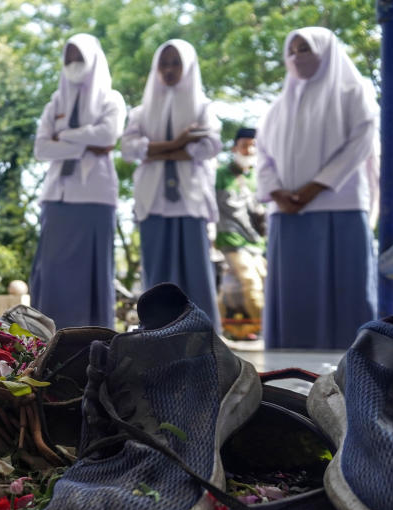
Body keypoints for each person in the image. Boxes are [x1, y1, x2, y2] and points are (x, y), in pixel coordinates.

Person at [257, 27, 378, 349]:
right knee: (296, 297)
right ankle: (291, 377)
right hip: (288, 213)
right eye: (292, 50)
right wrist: (277, 193)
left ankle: (351, 374)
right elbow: (263, 155)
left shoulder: (352, 93)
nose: (296, 57)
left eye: (305, 49)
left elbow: (361, 140)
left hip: (342, 208)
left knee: (347, 293)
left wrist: (318, 185)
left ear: (326, 52)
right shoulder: (277, 107)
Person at [121, 39, 222, 327]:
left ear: (188, 65)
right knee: (157, 274)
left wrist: (156, 150)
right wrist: (180, 144)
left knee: (196, 272)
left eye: (175, 62)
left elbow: (211, 145)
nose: (168, 69)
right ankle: (157, 335)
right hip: (152, 200)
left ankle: (204, 336)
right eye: (163, 63)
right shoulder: (141, 111)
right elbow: (128, 149)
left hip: (190, 200)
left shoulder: (202, 106)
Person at [30, 33, 126, 330]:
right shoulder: (55, 102)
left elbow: (108, 136)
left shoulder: (111, 99)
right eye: (68, 57)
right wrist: (87, 140)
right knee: (53, 271)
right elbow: (41, 148)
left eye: (79, 57)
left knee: (91, 274)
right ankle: (49, 337)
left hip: (94, 197)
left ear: (93, 59)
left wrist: (65, 136)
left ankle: (92, 338)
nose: (73, 63)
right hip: (57, 197)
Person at [214, 127, 266, 329]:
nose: (250, 150)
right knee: (250, 281)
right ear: (235, 148)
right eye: (245, 146)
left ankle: (220, 329)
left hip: (254, 242)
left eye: (253, 146)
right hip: (231, 238)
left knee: (237, 286)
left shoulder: (258, 177)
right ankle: (265, 333)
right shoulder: (220, 175)